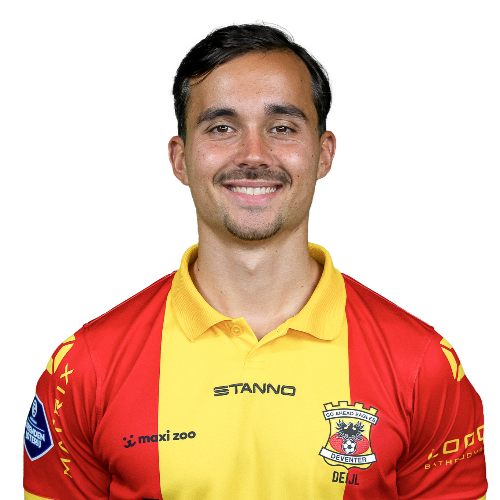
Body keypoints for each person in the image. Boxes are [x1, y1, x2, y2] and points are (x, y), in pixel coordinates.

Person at [23, 20, 487, 500]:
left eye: (282, 128)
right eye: (222, 128)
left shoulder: (424, 363)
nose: (253, 155)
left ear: (325, 153)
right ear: (179, 159)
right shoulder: (83, 367)